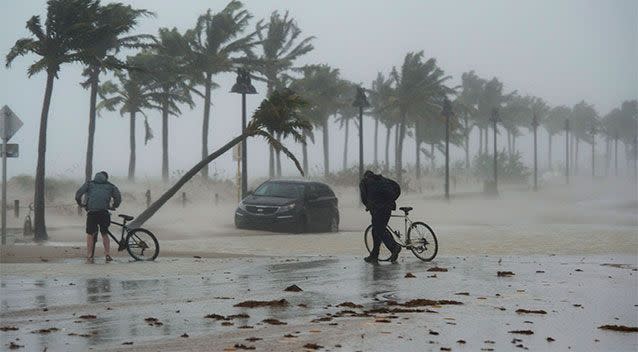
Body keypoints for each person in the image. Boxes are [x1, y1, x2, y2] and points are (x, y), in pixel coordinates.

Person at [75, 171, 121, 263]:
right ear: (106, 178)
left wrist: (80, 203)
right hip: (104, 213)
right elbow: (118, 197)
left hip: (92, 213)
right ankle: (107, 254)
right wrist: (114, 206)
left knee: (90, 234)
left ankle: (89, 255)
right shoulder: (110, 186)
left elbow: (78, 194)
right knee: (105, 234)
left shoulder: (89, 184)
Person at [359, 170, 401, 264]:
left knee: (379, 229)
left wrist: (368, 206)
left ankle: (394, 247)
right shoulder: (383, 179)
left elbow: (363, 197)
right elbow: (397, 187)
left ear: (365, 176)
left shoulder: (364, 181)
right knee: (376, 230)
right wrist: (392, 200)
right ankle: (374, 255)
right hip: (388, 208)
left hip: (377, 208)